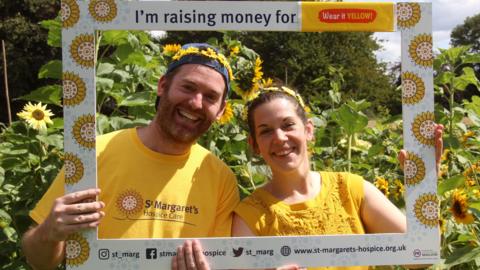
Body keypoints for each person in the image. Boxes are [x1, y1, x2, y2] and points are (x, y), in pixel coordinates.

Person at [21, 43, 240, 270]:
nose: (196, 103)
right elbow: (39, 261)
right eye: (188, 87)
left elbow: (223, 262)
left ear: (221, 110)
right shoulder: (94, 154)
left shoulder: (221, 179)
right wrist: (50, 232)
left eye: (210, 97)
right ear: (162, 85)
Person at [229, 87, 443, 270]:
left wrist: (425, 185)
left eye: (288, 125)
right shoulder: (249, 215)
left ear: (309, 130)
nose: (279, 137)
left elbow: (419, 256)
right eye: (265, 131)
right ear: (255, 145)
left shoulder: (351, 189)